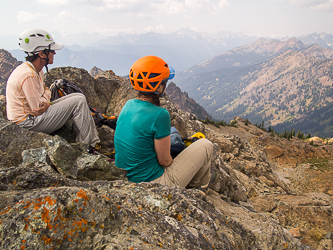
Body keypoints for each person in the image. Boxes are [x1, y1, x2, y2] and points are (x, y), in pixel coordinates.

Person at [114, 55, 213, 188]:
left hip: (126, 178)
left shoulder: (128, 104)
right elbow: (165, 161)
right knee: (206, 145)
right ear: (159, 87)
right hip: (153, 183)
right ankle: (196, 189)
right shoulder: (160, 114)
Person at [6, 28, 100, 147]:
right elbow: (38, 108)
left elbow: (45, 92)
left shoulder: (35, 70)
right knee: (78, 101)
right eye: (51, 50)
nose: (54, 53)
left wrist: (46, 99)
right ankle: (91, 145)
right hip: (27, 123)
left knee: (78, 96)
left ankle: (85, 142)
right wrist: (46, 99)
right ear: (41, 54)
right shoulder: (28, 75)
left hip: (31, 118)